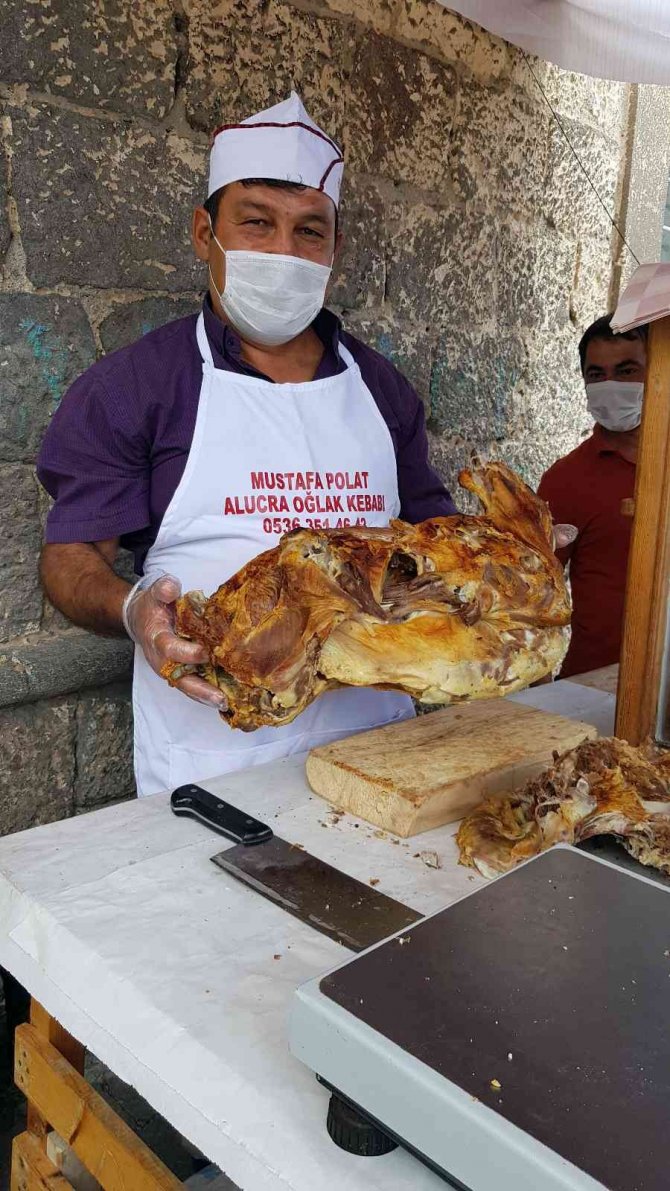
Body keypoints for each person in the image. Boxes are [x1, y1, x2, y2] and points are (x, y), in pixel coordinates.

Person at [36, 92, 456, 797]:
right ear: (206, 233)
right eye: (256, 222)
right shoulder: (135, 387)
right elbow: (71, 558)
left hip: (377, 752)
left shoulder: (383, 390)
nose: (283, 252)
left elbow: (437, 541)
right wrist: (136, 610)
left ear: (335, 249)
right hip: (214, 759)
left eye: (309, 231)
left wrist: (504, 564)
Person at [538, 313, 647, 678]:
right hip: (592, 684)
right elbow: (534, 593)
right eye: (597, 374)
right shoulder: (566, 479)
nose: (611, 385)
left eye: (627, 370)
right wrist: (539, 693)